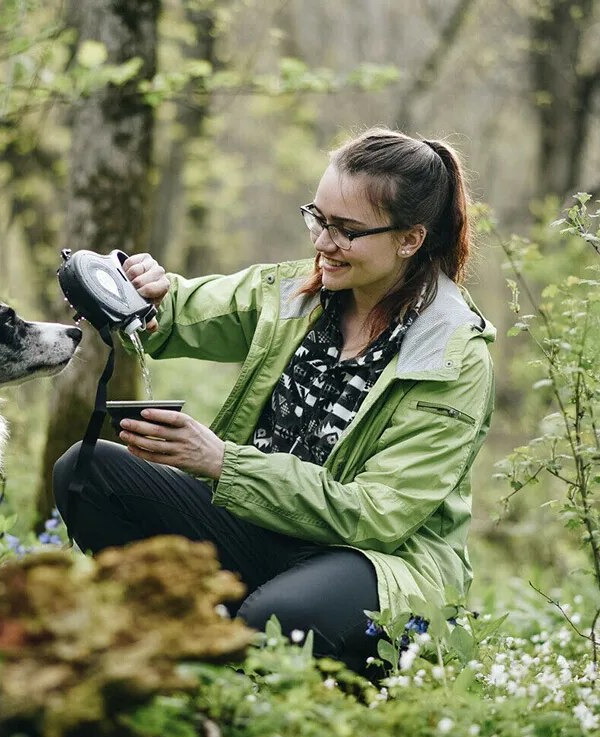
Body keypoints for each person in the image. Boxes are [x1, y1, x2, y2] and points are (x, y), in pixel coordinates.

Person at [52, 127, 495, 679]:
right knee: (86, 470)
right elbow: (192, 310)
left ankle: (281, 665)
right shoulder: (302, 291)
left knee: (277, 618)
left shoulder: (452, 356)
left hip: (379, 564)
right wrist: (140, 295)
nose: (322, 243)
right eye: (318, 218)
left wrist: (221, 462)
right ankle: (180, 648)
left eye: (347, 230)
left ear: (410, 239)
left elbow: (378, 514)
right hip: (262, 526)